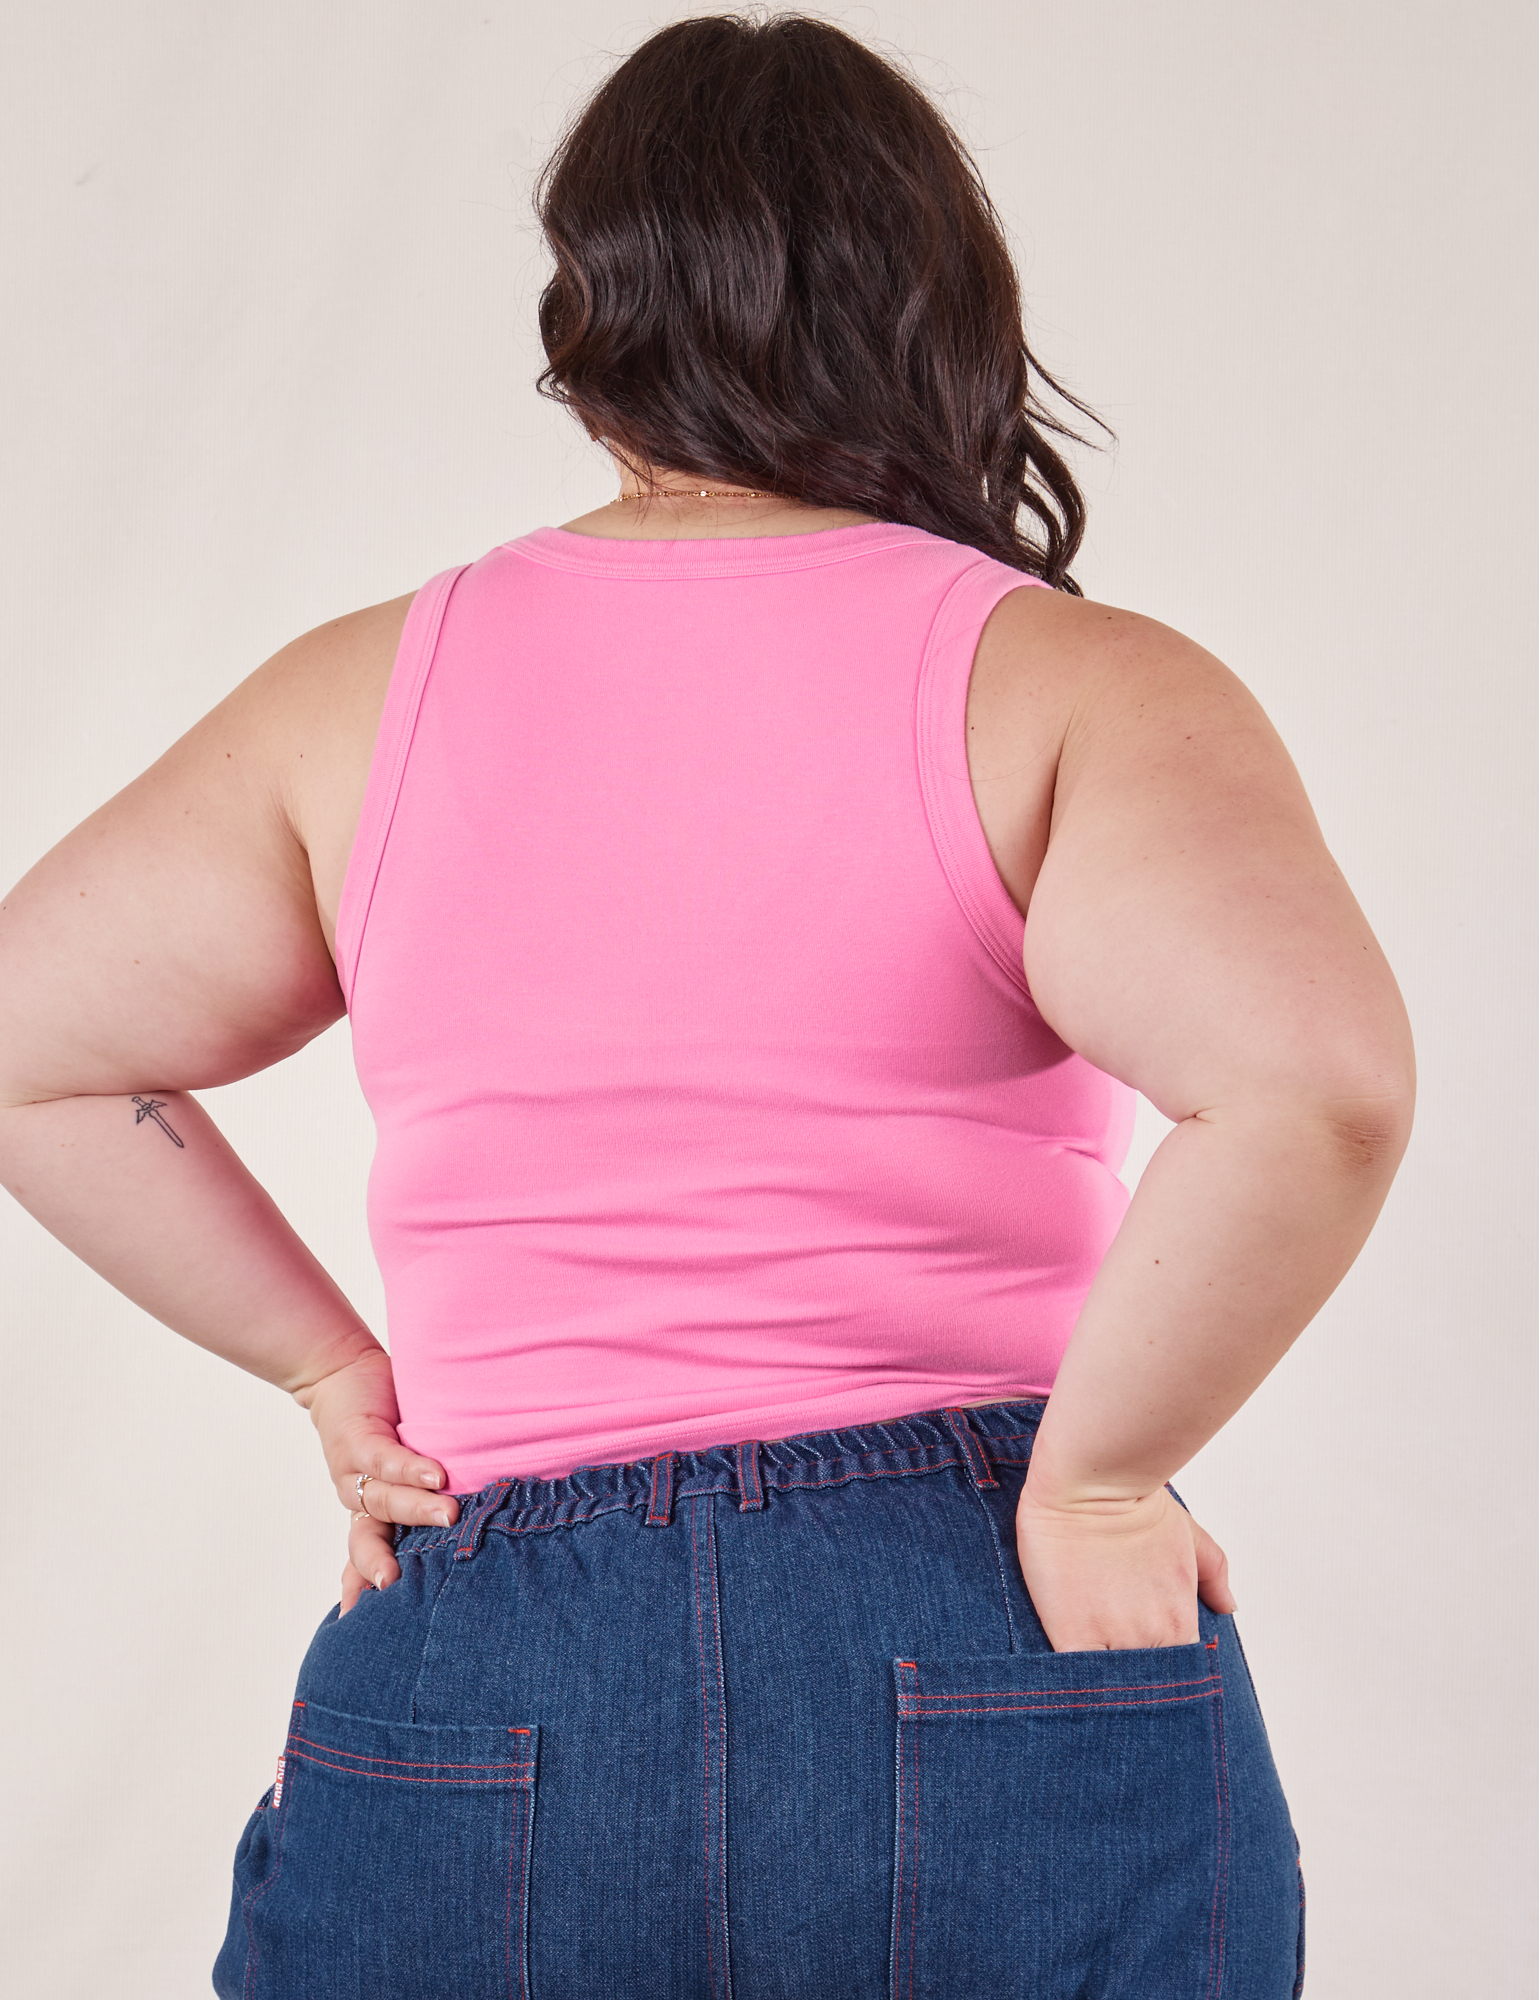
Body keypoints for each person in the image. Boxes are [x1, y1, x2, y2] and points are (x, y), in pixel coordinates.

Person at [0, 14, 1412, 1998]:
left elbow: (32, 1042)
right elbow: (1314, 1080)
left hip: (490, 1652)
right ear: (936, 300)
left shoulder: (352, 697)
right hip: (991, 1593)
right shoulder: (1070, 685)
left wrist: (336, 1375)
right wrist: (1095, 1475)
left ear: (592, 314)